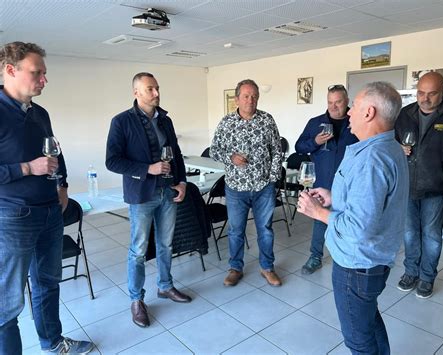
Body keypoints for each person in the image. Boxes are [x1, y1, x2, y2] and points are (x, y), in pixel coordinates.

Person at [298, 82, 409, 354]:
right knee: (369, 320)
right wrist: (335, 197)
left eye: (355, 106)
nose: (348, 113)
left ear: (369, 112)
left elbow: (358, 228)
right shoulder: (389, 147)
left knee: (358, 341)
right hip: (373, 261)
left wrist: (319, 212)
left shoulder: (371, 158)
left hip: (356, 265)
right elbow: (373, 203)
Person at [0, 42, 94, 354]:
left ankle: (53, 342)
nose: (44, 79)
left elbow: (55, 151)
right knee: (7, 302)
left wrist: (63, 185)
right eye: (36, 72)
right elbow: (35, 163)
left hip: (50, 213)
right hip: (13, 218)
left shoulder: (40, 113)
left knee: (48, 283)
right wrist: (27, 168)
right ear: (10, 70)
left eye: (44, 73)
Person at [106, 72, 191, 329]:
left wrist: (183, 181)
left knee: (165, 244)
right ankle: (136, 300)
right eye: (150, 89)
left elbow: (175, 153)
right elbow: (112, 161)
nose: (156, 93)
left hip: (168, 191)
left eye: (157, 88)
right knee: (138, 250)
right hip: (141, 195)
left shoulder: (165, 119)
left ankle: (165, 286)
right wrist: (148, 169)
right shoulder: (121, 122)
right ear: (136, 93)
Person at [395, 72, 443, 298]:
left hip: (436, 188)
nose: (425, 98)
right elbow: (393, 139)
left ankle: (427, 277)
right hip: (408, 186)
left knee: (431, 235)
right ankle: (411, 272)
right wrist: (398, 148)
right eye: (421, 93)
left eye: (432, 94)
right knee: (410, 233)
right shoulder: (405, 113)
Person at [210, 79, 283, 287]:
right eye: (246, 96)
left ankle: (267, 268)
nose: (251, 100)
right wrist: (230, 157)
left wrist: (272, 179)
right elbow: (214, 150)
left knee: (266, 230)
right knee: (235, 231)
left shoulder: (267, 120)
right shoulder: (226, 123)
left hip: (263, 188)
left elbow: (277, 151)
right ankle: (235, 268)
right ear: (237, 99)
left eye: (254, 96)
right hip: (236, 188)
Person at [295, 84, 358, 274]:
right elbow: (299, 147)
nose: (333, 106)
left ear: (347, 101)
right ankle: (315, 256)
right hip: (322, 182)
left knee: (348, 220)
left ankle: (347, 257)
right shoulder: (316, 123)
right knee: (319, 220)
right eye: (330, 102)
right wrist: (315, 142)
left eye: (338, 102)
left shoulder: (356, 120)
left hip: (349, 185)